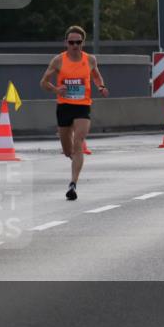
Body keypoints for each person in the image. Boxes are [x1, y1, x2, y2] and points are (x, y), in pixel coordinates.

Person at [39, 26, 108, 201]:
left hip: (82, 106)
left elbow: (97, 77)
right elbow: (43, 82)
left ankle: (73, 184)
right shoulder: (58, 60)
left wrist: (101, 86)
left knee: (79, 142)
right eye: (71, 42)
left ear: (83, 43)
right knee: (68, 150)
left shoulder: (90, 59)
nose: (75, 45)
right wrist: (56, 89)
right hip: (64, 106)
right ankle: (72, 158)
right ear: (66, 43)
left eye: (78, 42)